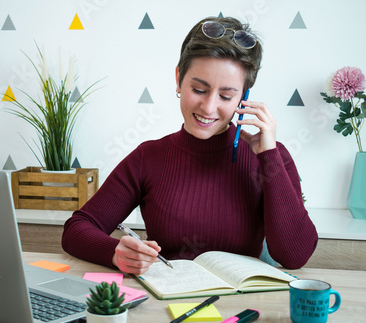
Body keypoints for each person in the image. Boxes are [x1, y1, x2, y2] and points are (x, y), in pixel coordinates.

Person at [61, 16, 318, 275]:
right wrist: (115, 253)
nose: (208, 107)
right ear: (179, 79)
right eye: (199, 89)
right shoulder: (147, 158)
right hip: (166, 306)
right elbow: (77, 228)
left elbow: (294, 256)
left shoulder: (271, 156)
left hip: (243, 310)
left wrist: (269, 156)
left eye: (226, 96)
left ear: (244, 97)